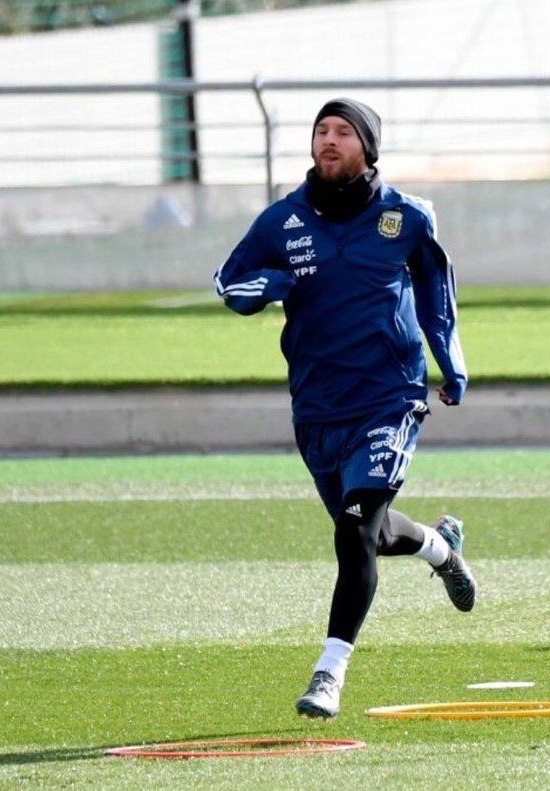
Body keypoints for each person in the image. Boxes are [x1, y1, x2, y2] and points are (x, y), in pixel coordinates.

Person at [212, 98, 475, 720]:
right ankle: (442, 548)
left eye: (342, 132)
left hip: (390, 397)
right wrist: (269, 287)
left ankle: (329, 673)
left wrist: (451, 365)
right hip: (317, 405)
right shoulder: (281, 221)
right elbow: (229, 282)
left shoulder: (407, 217)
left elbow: (438, 294)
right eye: (321, 131)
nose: (328, 140)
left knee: (354, 530)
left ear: (367, 148)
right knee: (372, 534)